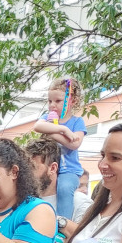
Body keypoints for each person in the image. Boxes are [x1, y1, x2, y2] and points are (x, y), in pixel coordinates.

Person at [33, 77, 87, 223]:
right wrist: (63, 130)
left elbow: (75, 144)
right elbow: (37, 126)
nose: (52, 105)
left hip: (68, 170)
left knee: (64, 188)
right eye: (50, 101)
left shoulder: (77, 122)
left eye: (58, 101)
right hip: (50, 167)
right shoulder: (47, 118)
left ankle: (62, 224)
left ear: (72, 101)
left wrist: (52, 134)